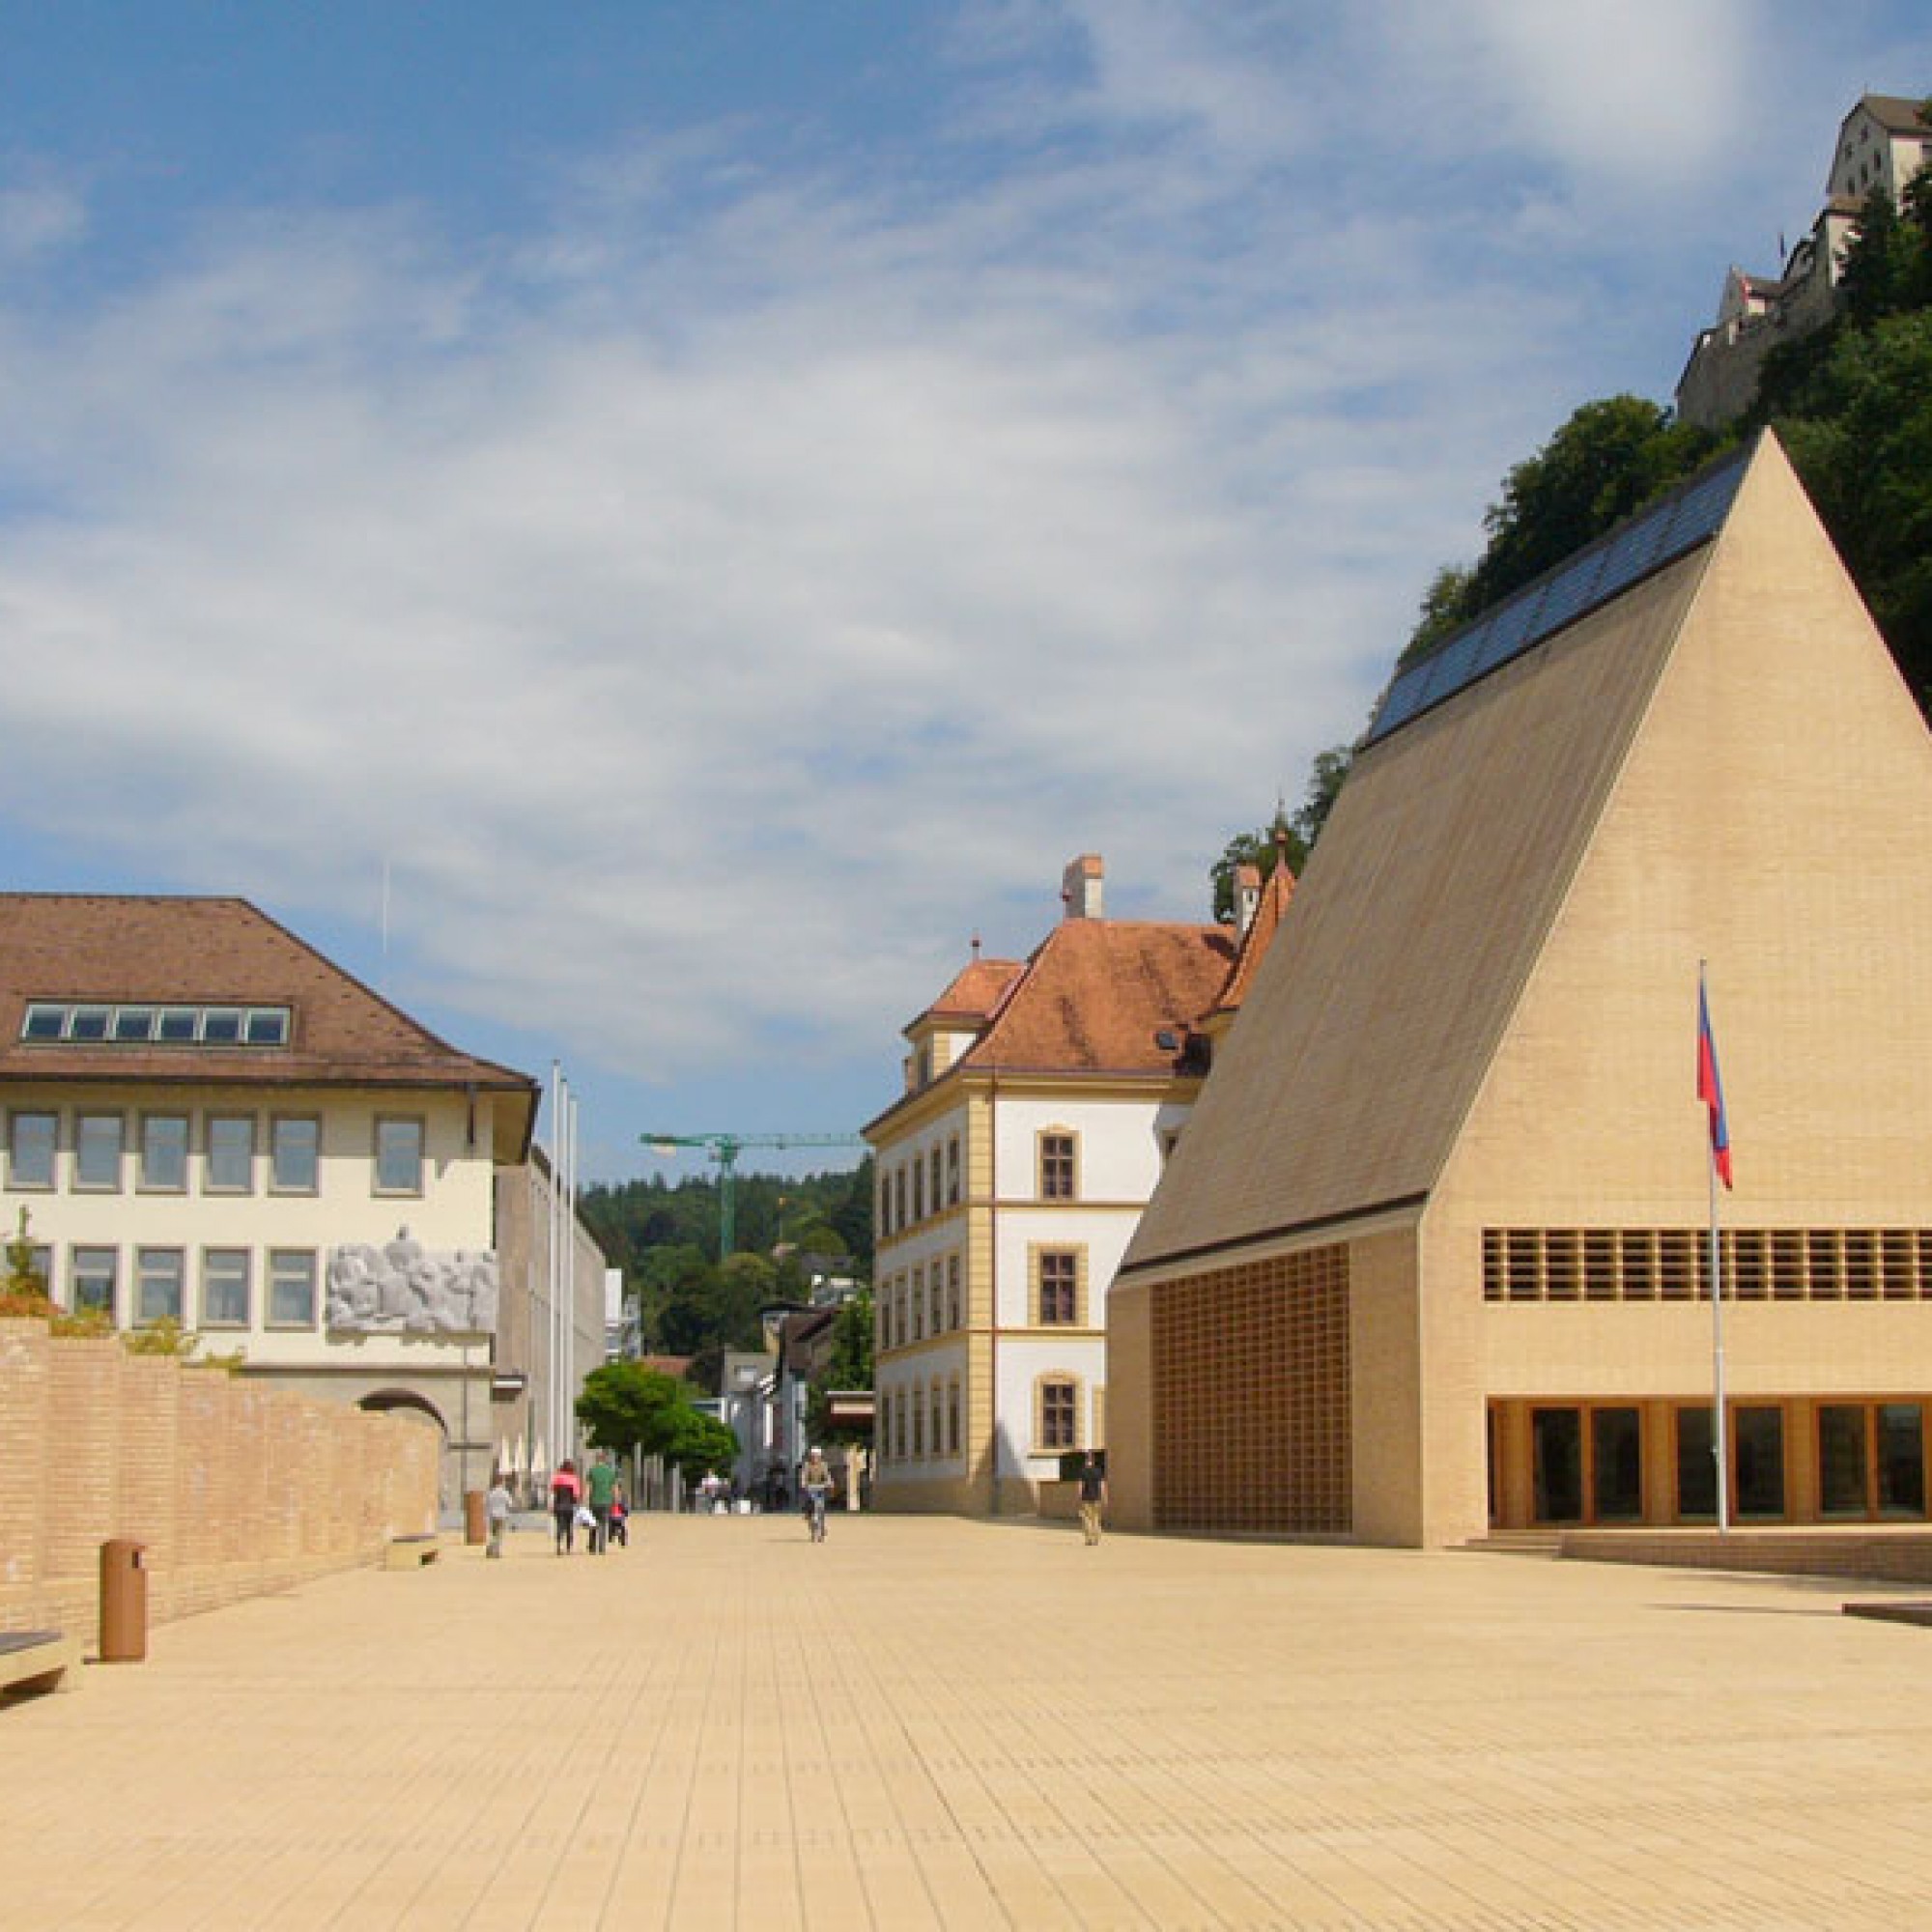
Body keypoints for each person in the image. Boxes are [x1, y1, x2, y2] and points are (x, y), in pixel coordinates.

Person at [584, 1451, 618, 1554]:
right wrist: (616, 1500)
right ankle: (601, 1547)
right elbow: (614, 1488)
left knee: (593, 1523)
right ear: (604, 1460)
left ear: (596, 1459)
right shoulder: (610, 1472)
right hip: (607, 1501)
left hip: (594, 1501)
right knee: (603, 1524)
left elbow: (589, 1488)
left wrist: (585, 1501)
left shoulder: (592, 1471)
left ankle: (592, 1547)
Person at [550, 1458, 582, 1555]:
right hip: (569, 1506)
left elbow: (552, 1491)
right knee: (569, 1526)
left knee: (560, 1525)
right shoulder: (574, 1479)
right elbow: (576, 1495)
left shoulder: (557, 1477)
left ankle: (559, 1545)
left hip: (558, 1505)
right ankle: (568, 1548)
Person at [801, 1446, 833, 1543]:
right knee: (808, 1512)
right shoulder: (807, 1465)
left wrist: (829, 1482)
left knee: (820, 1509)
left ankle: (821, 1530)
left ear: (819, 1456)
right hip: (810, 1490)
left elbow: (827, 1476)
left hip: (820, 1489)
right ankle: (813, 1529)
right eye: (813, 1456)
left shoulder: (824, 1465)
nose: (815, 1458)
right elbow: (804, 1476)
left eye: (817, 1456)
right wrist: (803, 1483)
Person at [1077, 1451, 1108, 1546]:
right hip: (1096, 1498)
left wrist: (1079, 1497)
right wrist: (1104, 1497)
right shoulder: (1098, 1471)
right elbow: (1102, 1485)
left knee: (1087, 1518)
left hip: (1086, 1498)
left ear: (1086, 1460)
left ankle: (1089, 1539)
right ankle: (1096, 1539)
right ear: (1093, 1461)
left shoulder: (1083, 1471)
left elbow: (1080, 1486)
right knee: (1096, 1518)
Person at [485, 1470, 513, 1560]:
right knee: (499, 1534)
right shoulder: (505, 1493)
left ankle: (490, 1546)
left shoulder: (491, 1493)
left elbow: (487, 1504)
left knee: (493, 1533)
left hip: (493, 1515)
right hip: (502, 1515)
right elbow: (510, 1504)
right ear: (502, 1482)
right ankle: (496, 1551)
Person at [609, 1479, 628, 1548]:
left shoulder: (611, 1495)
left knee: (613, 1526)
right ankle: (619, 1537)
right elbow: (625, 1506)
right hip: (617, 1516)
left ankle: (612, 1536)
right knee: (622, 1526)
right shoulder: (623, 1496)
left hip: (614, 1516)